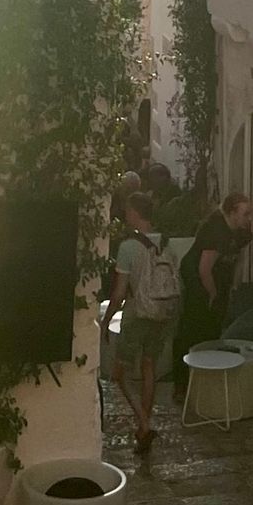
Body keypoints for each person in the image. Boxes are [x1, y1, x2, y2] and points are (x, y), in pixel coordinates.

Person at [106, 191, 182, 453]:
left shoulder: (128, 247)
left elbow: (118, 294)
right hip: (162, 314)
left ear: (136, 214)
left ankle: (144, 422)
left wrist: (105, 322)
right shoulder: (167, 244)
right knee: (149, 367)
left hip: (138, 315)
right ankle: (143, 427)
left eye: (128, 212)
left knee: (119, 374)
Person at [177, 191, 251, 359]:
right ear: (232, 213)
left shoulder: (239, 231)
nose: (248, 219)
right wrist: (213, 294)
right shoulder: (215, 230)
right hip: (199, 282)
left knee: (214, 328)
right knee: (197, 328)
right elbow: (204, 269)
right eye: (245, 214)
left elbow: (237, 255)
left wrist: (232, 285)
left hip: (218, 280)